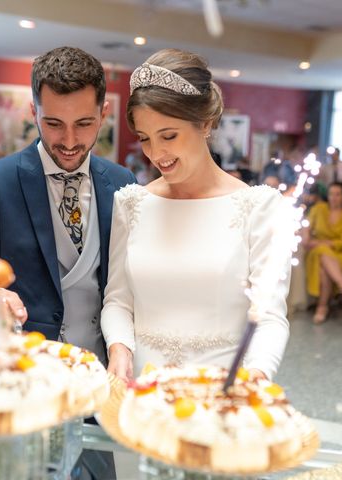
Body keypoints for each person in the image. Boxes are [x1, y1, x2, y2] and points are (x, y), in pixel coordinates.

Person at [101, 49, 291, 383]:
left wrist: (255, 377)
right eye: (145, 139)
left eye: (169, 135)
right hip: (142, 392)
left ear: (204, 123)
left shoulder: (260, 207)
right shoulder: (131, 204)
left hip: (220, 395)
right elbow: (117, 300)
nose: (156, 154)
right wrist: (120, 347)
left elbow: (270, 316)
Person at [0, 47, 136, 364]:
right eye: (54, 123)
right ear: (34, 112)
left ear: (104, 113)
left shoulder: (123, 182)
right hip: (26, 365)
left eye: (84, 123)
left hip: (103, 367)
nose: (70, 141)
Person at [303, 182, 342, 324]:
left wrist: (319, 243)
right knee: (322, 255)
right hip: (318, 252)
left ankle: (322, 307)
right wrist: (306, 236)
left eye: (338, 194)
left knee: (323, 264)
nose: (333, 198)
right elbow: (307, 226)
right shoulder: (319, 208)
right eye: (331, 194)